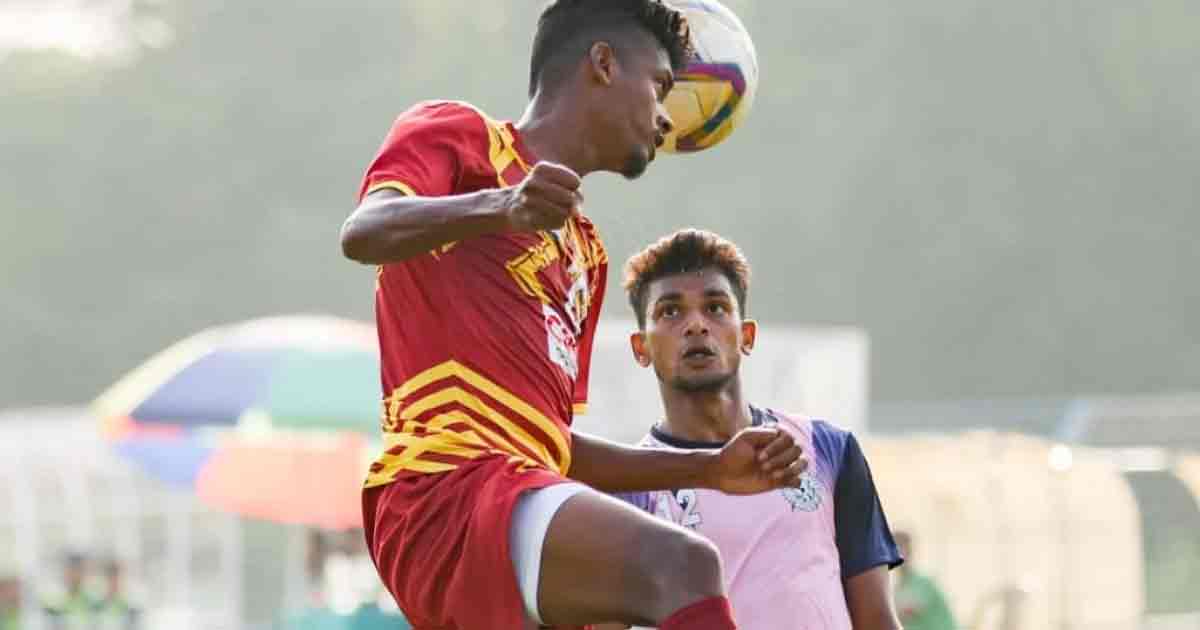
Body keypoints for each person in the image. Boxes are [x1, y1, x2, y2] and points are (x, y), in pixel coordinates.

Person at [340, 2, 808, 629]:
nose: (666, 117)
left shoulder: (586, 253)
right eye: (660, 86)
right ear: (604, 64)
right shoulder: (461, 135)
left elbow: (554, 445)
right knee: (680, 568)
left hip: (516, 500)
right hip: (440, 491)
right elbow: (363, 232)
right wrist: (501, 205)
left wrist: (708, 470)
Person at [595, 228, 903, 629]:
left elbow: (878, 619)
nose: (696, 326)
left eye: (716, 308)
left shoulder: (828, 448)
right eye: (670, 311)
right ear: (641, 348)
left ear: (747, 336)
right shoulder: (626, 492)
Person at [894, 531, 958, 630]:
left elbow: (908, 609)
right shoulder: (899, 587)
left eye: (901, 548)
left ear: (910, 550)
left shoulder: (923, 583)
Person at [94, 559, 140, 630]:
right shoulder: (97, 606)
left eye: (116, 578)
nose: (113, 583)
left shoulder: (130, 607)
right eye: (110, 578)